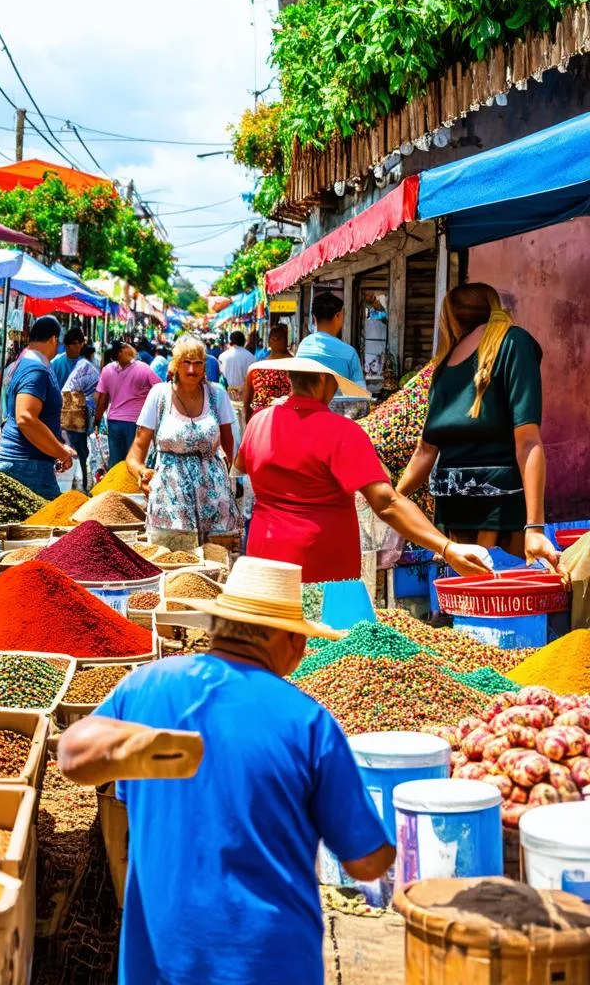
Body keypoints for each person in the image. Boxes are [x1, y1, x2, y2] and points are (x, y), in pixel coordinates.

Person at [58, 556, 395, 985]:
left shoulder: (145, 686)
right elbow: (366, 864)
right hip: (269, 964)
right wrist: (395, 841)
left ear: (217, 626)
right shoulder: (308, 723)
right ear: (292, 641)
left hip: (160, 964)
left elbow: (73, 753)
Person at [236, 356, 492, 583]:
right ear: (326, 381)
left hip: (263, 554)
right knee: (321, 635)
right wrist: (447, 548)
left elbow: (242, 468)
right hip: (318, 565)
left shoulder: (259, 421)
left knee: (271, 629)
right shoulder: (341, 431)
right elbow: (386, 503)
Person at [397, 283, 559, 568]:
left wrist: (392, 499)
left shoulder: (495, 349)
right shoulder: (512, 344)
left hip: (489, 517)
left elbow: (425, 451)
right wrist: (391, 505)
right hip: (468, 517)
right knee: (500, 601)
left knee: (473, 602)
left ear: (450, 319)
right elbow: (528, 442)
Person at [128, 335, 239, 551]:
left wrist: (224, 480)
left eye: (198, 363)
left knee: (216, 559)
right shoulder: (159, 395)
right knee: (173, 559)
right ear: (175, 365)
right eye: (186, 362)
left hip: (214, 498)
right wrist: (141, 472)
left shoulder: (217, 394)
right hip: (171, 497)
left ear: (205, 365)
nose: (191, 370)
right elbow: (137, 450)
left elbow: (228, 442)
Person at [0, 316, 75, 498]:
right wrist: (61, 452)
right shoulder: (35, 369)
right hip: (26, 465)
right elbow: (26, 419)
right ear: (54, 339)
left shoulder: (29, 363)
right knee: (48, 521)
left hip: (26, 462)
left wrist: (56, 447)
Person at [95, 341, 161, 468]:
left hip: (114, 422)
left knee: (116, 464)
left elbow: (102, 400)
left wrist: (96, 421)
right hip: (137, 423)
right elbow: (159, 390)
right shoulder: (143, 369)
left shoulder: (107, 370)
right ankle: (132, 488)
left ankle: (116, 487)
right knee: (135, 462)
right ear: (121, 352)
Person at [297, 290, 366, 388]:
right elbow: (361, 394)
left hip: (305, 403)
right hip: (340, 404)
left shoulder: (303, 345)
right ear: (338, 315)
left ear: (314, 317)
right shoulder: (349, 353)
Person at [61, 344, 99, 492]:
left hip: (67, 406)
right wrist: (92, 424)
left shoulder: (80, 365)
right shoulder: (89, 367)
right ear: (91, 355)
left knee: (70, 446)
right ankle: (81, 483)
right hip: (77, 407)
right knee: (81, 450)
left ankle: (72, 484)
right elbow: (93, 400)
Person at [243, 324, 293, 415]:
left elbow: (247, 403)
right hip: (286, 420)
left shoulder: (256, 368)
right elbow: (247, 402)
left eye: (279, 337)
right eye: (275, 337)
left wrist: (250, 424)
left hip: (263, 419)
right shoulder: (296, 366)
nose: (277, 339)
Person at [218, 329, 253, 401]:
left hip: (226, 396)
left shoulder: (222, 356)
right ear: (244, 341)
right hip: (244, 396)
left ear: (231, 341)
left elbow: (220, 376)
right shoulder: (251, 357)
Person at [50, 325, 86, 391]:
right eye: (73, 343)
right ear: (66, 345)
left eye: (78, 343)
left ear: (82, 344)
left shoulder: (84, 365)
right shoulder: (55, 363)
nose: (75, 347)